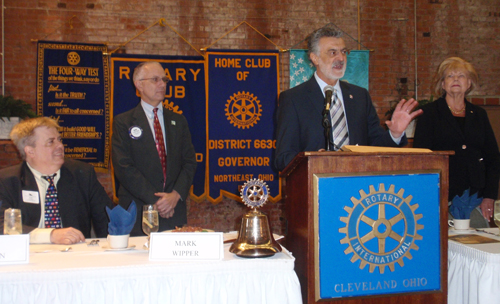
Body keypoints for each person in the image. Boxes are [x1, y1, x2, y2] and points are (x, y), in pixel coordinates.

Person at [275, 25, 422, 171]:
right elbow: (283, 158)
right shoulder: (293, 99)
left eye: (344, 52)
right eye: (333, 53)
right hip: (316, 186)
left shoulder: (360, 96)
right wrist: (313, 160)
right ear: (315, 58)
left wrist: (395, 134)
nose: (341, 58)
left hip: (358, 187)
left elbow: (376, 147)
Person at [112, 61, 197, 236]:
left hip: (173, 210)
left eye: (164, 80)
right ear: (139, 84)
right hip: (139, 210)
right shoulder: (124, 122)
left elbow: (189, 162)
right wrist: (158, 202)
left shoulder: (178, 121)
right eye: (156, 79)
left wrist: (175, 195)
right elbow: (124, 168)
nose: (162, 84)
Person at [413, 57, 500, 225]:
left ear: (469, 84)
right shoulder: (430, 113)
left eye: (461, 75)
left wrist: (489, 196)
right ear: (443, 84)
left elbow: (493, 158)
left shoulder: (479, 114)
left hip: (476, 196)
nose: (455, 79)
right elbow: (421, 159)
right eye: (450, 76)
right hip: (441, 196)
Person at [0, 117, 112, 244]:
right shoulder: (7, 181)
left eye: (59, 140)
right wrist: (50, 235)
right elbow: (2, 225)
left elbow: (107, 218)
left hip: (75, 253)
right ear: (30, 151)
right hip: (29, 253)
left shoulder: (82, 174)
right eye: (50, 142)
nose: (60, 146)